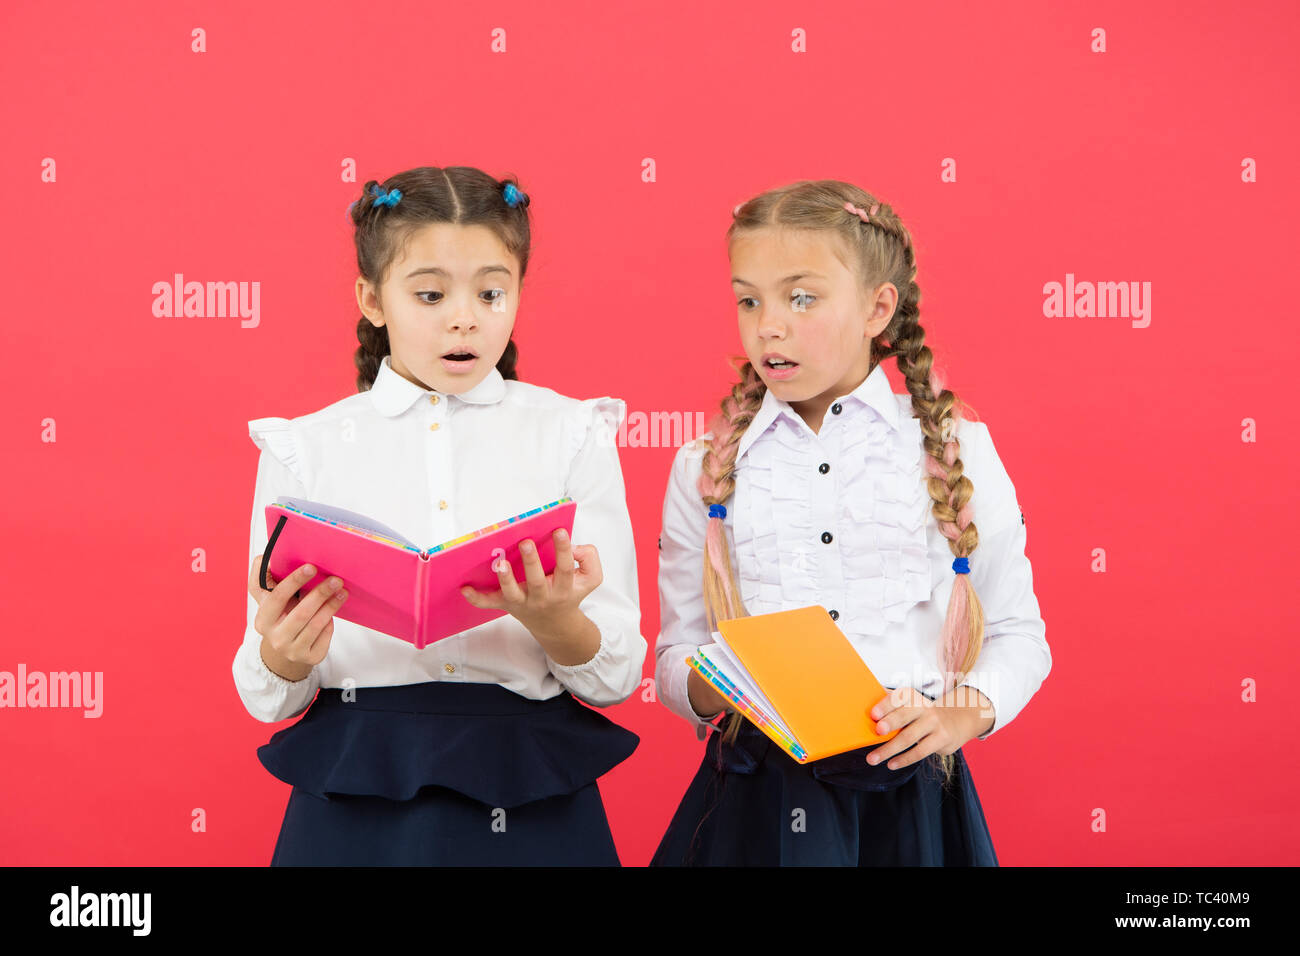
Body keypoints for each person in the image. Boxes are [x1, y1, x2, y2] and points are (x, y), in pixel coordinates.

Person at [233, 166, 645, 865]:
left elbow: (613, 678)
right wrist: (285, 651)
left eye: (491, 291)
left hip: (530, 779)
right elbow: (269, 695)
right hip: (357, 776)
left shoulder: (570, 433)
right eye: (430, 293)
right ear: (372, 298)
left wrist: (554, 620)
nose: (465, 317)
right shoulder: (306, 448)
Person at [651, 180, 1051, 866]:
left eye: (801, 297)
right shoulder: (706, 467)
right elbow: (672, 661)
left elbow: (1021, 636)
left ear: (877, 307)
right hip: (758, 800)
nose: (768, 325)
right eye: (749, 300)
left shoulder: (954, 449)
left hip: (908, 805)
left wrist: (962, 712)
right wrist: (722, 678)